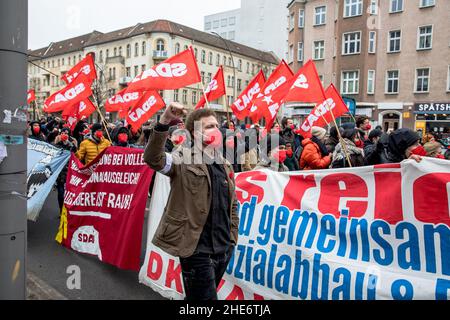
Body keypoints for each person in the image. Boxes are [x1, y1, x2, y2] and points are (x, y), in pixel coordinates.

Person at [144, 103, 238, 301]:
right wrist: (164, 122)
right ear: (195, 134)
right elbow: (154, 158)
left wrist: (232, 238)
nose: (216, 130)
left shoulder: (225, 164)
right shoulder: (182, 157)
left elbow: (232, 204)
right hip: (196, 250)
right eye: (208, 127)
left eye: (216, 125)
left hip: (222, 248)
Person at [53, 128, 77, 212]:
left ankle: (68, 209)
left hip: (69, 170)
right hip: (60, 172)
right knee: (61, 193)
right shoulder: (56, 145)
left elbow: (76, 157)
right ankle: (61, 209)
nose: (64, 134)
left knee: (70, 192)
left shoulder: (72, 145)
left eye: (66, 133)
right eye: (62, 133)